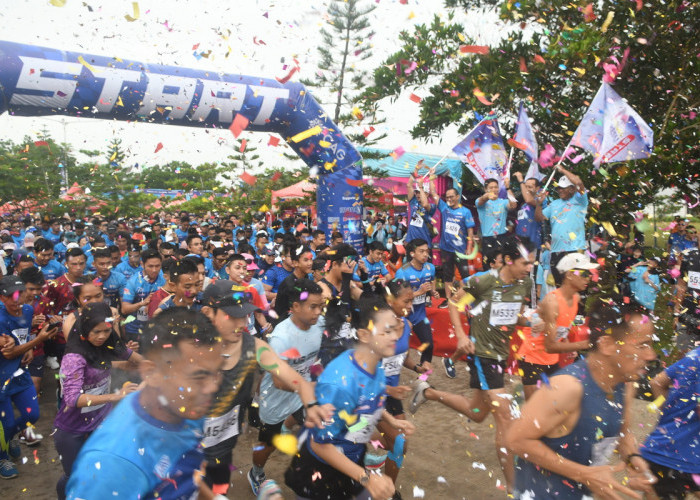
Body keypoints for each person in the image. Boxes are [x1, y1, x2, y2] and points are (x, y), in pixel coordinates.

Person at [410, 237, 538, 491]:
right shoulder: (484, 281)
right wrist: (460, 336)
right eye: (526, 263)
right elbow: (457, 304)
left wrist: (532, 321)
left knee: (476, 413)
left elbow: (515, 315)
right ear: (510, 260)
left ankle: (427, 392)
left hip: (501, 356)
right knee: (504, 414)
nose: (529, 268)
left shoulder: (525, 283)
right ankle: (517, 489)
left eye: (532, 263)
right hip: (483, 354)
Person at [65, 308, 223, 499]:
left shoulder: (187, 407)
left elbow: (190, 477)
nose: (212, 388)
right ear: (152, 373)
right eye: (198, 376)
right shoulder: (111, 467)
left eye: (217, 373)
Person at [507, 301, 658, 499]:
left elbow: (623, 430)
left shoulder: (625, 383)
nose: (651, 355)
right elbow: (515, 440)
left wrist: (633, 458)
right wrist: (585, 475)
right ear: (607, 345)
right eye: (642, 345)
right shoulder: (566, 387)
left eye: (651, 344)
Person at [199, 280, 332, 496]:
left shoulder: (253, 346)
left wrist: (311, 402)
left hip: (221, 447)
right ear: (208, 312)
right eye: (232, 316)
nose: (241, 323)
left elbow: (290, 377)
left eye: (244, 315)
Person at [284, 299, 415, 500]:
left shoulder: (375, 364)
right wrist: (366, 478)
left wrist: (392, 421)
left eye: (396, 330)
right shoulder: (341, 383)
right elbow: (320, 444)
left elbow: (370, 401)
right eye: (387, 331)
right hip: (319, 473)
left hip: (351, 462)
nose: (396, 336)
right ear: (363, 335)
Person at [54, 302, 141, 499]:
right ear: (85, 329)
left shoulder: (105, 344)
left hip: (100, 423)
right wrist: (115, 396)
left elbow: (133, 358)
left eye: (106, 331)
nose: (101, 336)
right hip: (72, 430)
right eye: (96, 332)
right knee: (74, 477)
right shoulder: (73, 358)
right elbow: (73, 399)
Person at [249, 279, 325, 493]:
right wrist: (306, 387)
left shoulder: (319, 323)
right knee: (268, 445)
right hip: (276, 400)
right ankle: (255, 473)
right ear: (295, 307)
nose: (318, 312)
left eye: (321, 306)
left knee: (321, 431)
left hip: (302, 396)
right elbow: (278, 381)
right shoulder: (282, 338)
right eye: (313, 306)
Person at [0, 275, 60, 479]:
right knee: (5, 423)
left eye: (20, 293)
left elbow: (23, 338)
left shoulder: (27, 310)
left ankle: (10, 438)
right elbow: (7, 353)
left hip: (19, 372)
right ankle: (2, 457)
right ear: (1, 298)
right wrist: (38, 341)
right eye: (10, 295)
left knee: (32, 416)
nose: (17, 298)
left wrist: (30, 348)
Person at [517, 253, 598, 400]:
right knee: (535, 413)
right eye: (584, 273)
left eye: (589, 273)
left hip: (551, 360)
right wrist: (585, 344)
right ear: (569, 275)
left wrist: (567, 343)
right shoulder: (552, 302)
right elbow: (550, 346)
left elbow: (563, 326)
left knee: (552, 408)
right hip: (532, 358)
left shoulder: (576, 297)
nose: (589, 277)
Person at [377, 279, 429, 487]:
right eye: (407, 301)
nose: (410, 307)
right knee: (396, 443)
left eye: (412, 302)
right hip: (372, 395)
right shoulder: (375, 329)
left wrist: (417, 368)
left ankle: (387, 488)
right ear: (389, 300)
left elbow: (402, 356)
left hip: (392, 395)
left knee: (400, 445)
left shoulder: (406, 325)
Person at [639, 346, 700, 499]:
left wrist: (667, 411)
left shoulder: (695, 354)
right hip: (677, 458)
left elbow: (657, 383)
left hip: (664, 448)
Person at [535, 165, 588, 284]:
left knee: (576, 287)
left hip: (575, 250)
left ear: (572, 189)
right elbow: (539, 218)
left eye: (563, 188)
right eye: (559, 188)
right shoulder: (554, 204)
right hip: (556, 252)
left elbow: (579, 182)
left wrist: (563, 170)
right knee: (560, 287)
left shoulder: (580, 200)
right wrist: (539, 204)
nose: (560, 190)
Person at [394, 238, 438, 369]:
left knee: (429, 345)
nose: (425, 254)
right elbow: (396, 298)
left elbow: (431, 281)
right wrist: (419, 292)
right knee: (399, 351)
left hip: (419, 315)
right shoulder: (402, 272)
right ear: (412, 253)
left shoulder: (431, 268)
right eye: (421, 251)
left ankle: (423, 377)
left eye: (427, 251)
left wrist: (432, 292)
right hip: (403, 316)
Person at [431, 178, 476, 304]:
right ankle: (448, 299)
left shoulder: (465, 212)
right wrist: (431, 178)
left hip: (461, 250)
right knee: (447, 274)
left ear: (458, 196)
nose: (449, 199)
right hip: (446, 249)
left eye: (452, 196)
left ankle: (466, 299)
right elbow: (433, 194)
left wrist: (469, 247)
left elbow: (470, 231)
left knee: (465, 275)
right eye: (447, 197)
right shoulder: (444, 208)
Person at [317, 243, 363, 366]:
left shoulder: (348, 283)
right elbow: (338, 310)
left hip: (349, 348)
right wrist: (348, 280)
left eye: (353, 265)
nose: (351, 270)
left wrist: (365, 278)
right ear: (335, 264)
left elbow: (366, 301)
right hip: (330, 351)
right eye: (348, 265)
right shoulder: (322, 287)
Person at [120, 248, 165, 345]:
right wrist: (143, 303)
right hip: (135, 330)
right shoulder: (133, 281)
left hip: (157, 330)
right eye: (150, 266)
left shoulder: (164, 280)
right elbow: (124, 309)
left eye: (157, 266)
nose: (154, 270)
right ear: (142, 264)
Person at [272, 244, 314, 324]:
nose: (310, 263)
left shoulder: (306, 278)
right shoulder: (289, 285)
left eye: (311, 259)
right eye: (306, 260)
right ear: (295, 263)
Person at [673, 228, 700, 352]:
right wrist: (676, 312)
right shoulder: (688, 256)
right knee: (685, 352)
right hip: (689, 311)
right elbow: (681, 285)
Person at [475, 177, 517, 252]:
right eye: (491, 188)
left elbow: (513, 204)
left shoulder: (503, 202)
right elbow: (481, 200)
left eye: (496, 187)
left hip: (502, 237)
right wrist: (487, 196)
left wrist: (508, 187)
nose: (494, 189)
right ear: (485, 189)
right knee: (488, 262)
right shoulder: (480, 201)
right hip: (487, 238)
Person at [513, 171, 545, 250]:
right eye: (525, 186)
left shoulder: (541, 201)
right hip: (520, 242)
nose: (526, 189)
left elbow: (529, 200)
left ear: (537, 188)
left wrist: (521, 180)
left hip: (533, 242)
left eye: (530, 187)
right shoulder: (523, 205)